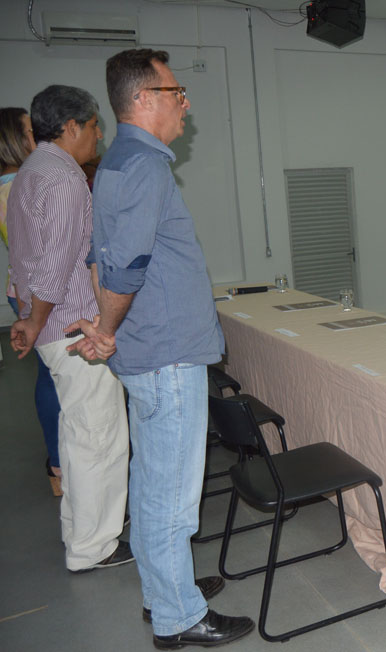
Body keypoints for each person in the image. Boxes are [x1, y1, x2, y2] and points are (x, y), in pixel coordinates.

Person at [72, 49, 254, 647]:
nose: (185, 103)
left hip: (150, 350)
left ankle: (165, 593)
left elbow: (101, 258)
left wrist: (108, 326)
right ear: (143, 99)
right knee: (171, 496)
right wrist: (107, 327)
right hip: (167, 356)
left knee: (153, 485)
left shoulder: (118, 162)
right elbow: (124, 265)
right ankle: (179, 617)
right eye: (177, 92)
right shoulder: (144, 165)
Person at [6, 86, 132, 571]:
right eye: (95, 125)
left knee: (80, 438)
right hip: (73, 331)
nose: (100, 134)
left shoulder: (29, 172)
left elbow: (26, 257)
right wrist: (35, 321)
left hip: (52, 327)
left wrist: (28, 319)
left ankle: (80, 534)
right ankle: (94, 547)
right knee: (99, 441)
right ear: (71, 126)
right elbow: (56, 264)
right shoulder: (64, 179)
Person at [0, 107, 63, 496]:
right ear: (12, 139)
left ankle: (57, 461)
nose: (35, 135)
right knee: (55, 379)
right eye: (27, 130)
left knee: (49, 375)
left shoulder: (11, 184)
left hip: (22, 290)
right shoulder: (19, 187)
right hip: (38, 293)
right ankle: (59, 464)